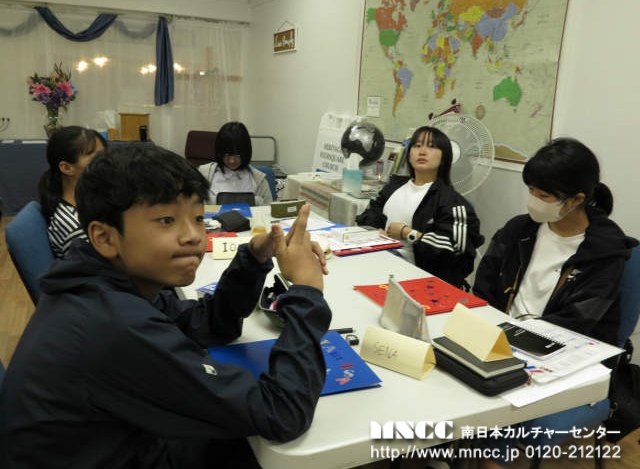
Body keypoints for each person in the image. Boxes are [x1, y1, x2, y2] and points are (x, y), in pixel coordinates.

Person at [0, 145, 331, 468]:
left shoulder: (106, 279)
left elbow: (208, 325)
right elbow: (281, 412)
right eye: (167, 220)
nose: (193, 236)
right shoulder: (114, 326)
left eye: (198, 218)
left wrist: (255, 257)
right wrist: (306, 290)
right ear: (104, 237)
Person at [472, 137, 638, 467]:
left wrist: (508, 340)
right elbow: (484, 289)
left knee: (493, 413)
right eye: (531, 190)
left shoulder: (604, 252)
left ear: (576, 199)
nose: (533, 201)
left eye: (544, 195)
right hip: (501, 343)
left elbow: (576, 324)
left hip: (559, 355)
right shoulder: (518, 231)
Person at [355, 125, 484, 288]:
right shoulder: (393, 187)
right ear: (409, 155)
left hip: (420, 281)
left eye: (431, 146)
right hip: (379, 265)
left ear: (445, 157)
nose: (422, 151)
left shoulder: (452, 202)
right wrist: (376, 232)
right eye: (417, 146)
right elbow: (368, 216)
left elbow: (455, 252)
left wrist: (408, 233)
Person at [37, 125, 106, 258]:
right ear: (67, 168)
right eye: (97, 158)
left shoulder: (88, 201)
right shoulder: (76, 228)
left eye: (105, 156)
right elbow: (99, 268)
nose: (107, 163)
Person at [198, 121, 273, 205]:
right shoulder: (204, 174)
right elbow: (193, 205)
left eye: (237, 155)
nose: (232, 161)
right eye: (226, 155)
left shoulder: (259, 179)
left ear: (245, 152)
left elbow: (269, 208)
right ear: (219, 153)